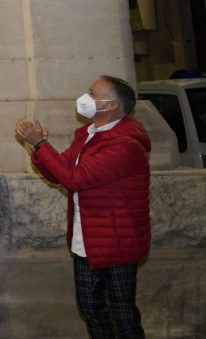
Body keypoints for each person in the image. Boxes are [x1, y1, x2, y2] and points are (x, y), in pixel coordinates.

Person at [16, 75, 151, 339]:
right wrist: (36, 147)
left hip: (117, 241)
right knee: (91, 309)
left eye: (93, 94)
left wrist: (43, 146)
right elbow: (59, 173)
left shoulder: (124, 143)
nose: (85, 98)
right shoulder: (89, 134)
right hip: (86, 238)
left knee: (122, 314)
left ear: (112, 105)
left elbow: (75, 179)